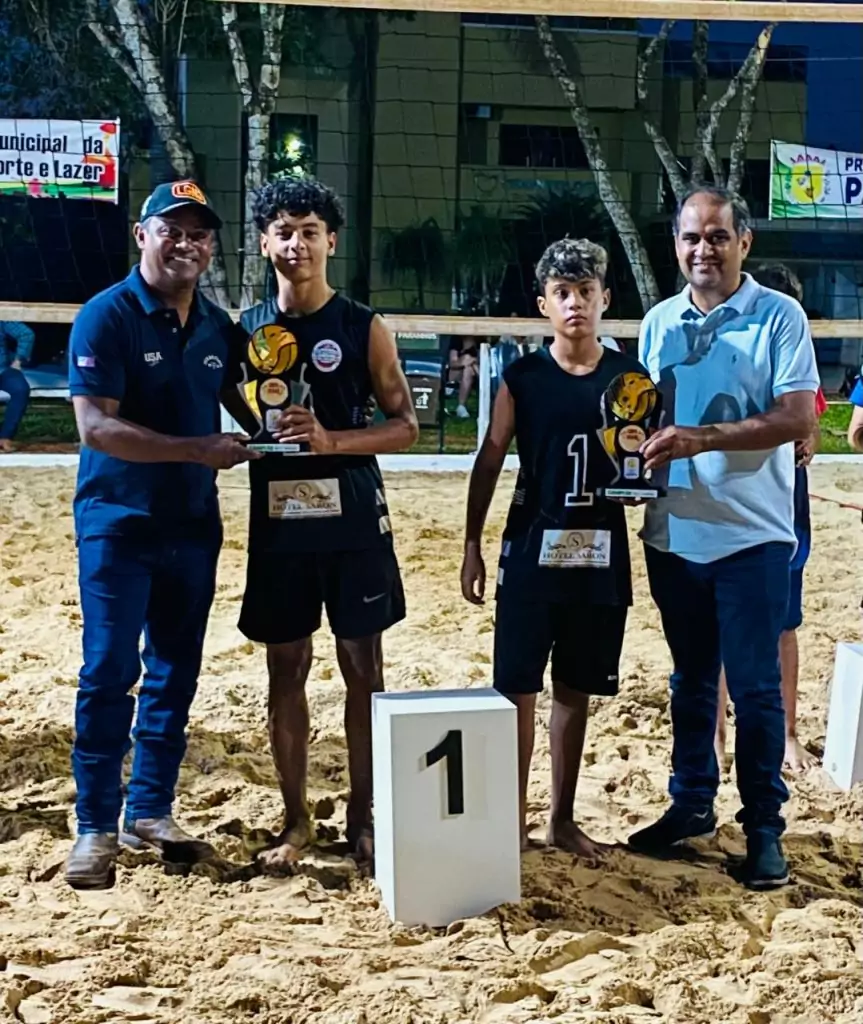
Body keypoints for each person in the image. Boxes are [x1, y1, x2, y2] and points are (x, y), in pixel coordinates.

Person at [65, 180, 257, 889]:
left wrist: (298, 423)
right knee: (110, 670)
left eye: (199, 233)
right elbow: (96, 429)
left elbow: (256, 400)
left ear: (212, 247)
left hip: (192, 524)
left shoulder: (217, 326)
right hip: (118, 523)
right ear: (141, 236)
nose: (186, 243)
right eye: (171, 230)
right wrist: (196, 450)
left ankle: (149, 810)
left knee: (176, 671)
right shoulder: (105, 316)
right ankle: (93, 825)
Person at [630, 186, 819, 890]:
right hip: (672, 533)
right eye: (689, 238)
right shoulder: (656, 324)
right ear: (675, 246)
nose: (701, 249)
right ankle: (690, 805)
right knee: (688, 681)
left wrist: (700, 438)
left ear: (744, 243)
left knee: (756, 688)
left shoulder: (778, 315)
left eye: (716, 236)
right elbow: (637, 422)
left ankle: (764, 828)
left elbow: (798, 418)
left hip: (752, 537)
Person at [230, 178, 418, 870]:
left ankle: (364, 820)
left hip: (351, 524)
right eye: (283, 230)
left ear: (330, 241)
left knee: (362, 667)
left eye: (309, 230)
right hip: (279, 524)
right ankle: (294, 820)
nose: (296, 242)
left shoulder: (362, 325)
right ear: (264, 243)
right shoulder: (244, 329)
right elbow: (230, 415)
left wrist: (332, 441)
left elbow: (406, 427)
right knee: (286, 666)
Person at [460, 238, 648, 856]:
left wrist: (645, 483)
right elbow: (489, 460)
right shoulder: (522, 378)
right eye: (563, 294)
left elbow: (645, 462)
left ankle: (561, 819)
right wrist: (472, 545)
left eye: (586, 292)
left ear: (605, 299)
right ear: (544, 304)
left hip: (599, 556)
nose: (576, 304)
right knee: (517, 686)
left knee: (575, 687)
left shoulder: (630, 379)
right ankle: (511, 822)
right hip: (531, 552)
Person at [714, 263, 826, 774]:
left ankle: (786, 734)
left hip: (782, 504)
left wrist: (805, 436)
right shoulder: (722, 351)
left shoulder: (796, 358)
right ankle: (715, 738)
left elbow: (811, 423)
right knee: (713, 624)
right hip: (720, 497)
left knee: (783, 622)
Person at [0, 320, 35, 450]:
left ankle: (5, 437)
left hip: (2, 370)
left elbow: (26, 333)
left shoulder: (1, 313)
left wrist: (19, 359)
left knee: (21, 389)